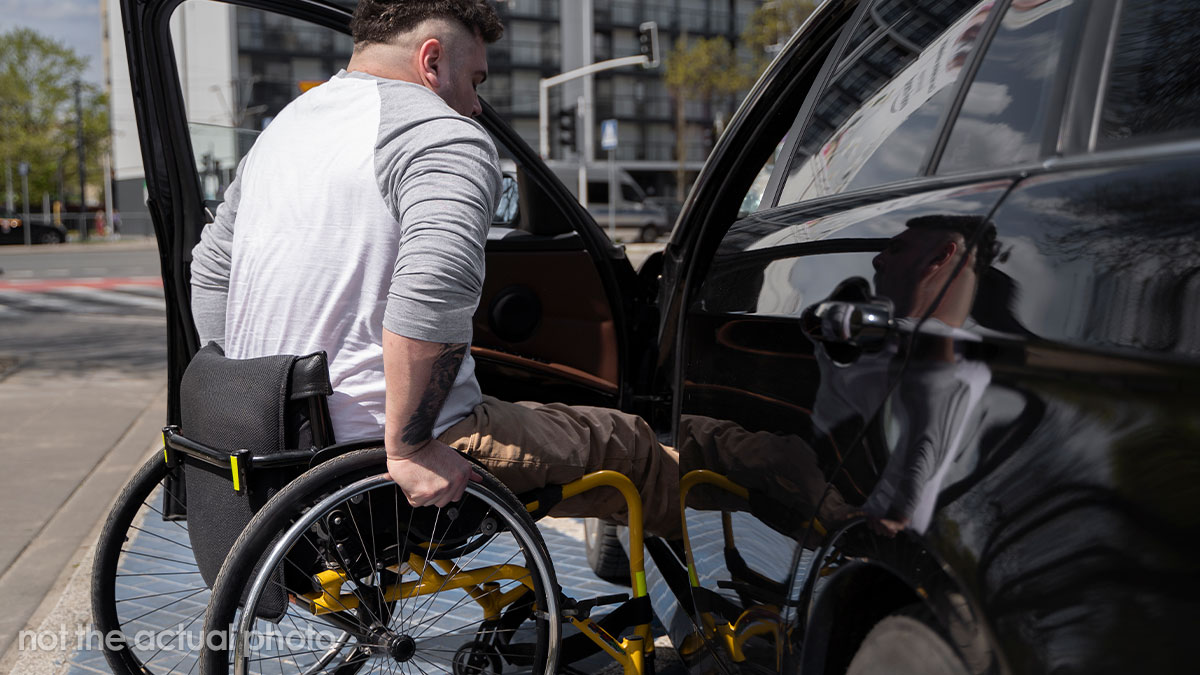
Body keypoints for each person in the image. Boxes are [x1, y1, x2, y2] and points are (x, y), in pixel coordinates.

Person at [189, 0, 681, 538]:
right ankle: (735, 593)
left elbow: (213, 268)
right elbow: (431, 293)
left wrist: (244, 394)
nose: (475, 104)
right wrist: (410, 446)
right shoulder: (442, 137)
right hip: (378, 457)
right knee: (629, 443)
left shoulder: (284, 130)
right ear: (432, 61)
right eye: (475, 79)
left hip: (274, 449)